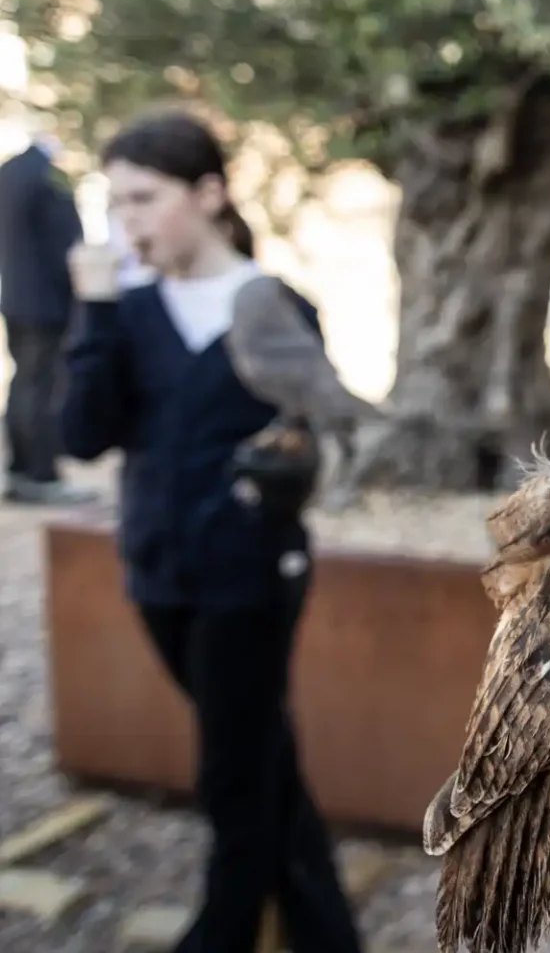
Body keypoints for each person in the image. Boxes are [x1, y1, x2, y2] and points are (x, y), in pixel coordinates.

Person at [61, 109, 363, 953]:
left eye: (145, 199)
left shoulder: (273, 305)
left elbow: (314, 430)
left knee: (232, 764)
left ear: (209, 194)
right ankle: (324, 928)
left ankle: (221, 930)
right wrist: (95, 311)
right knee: (259, 747)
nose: (129, 223)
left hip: (253, 572)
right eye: (116, 204)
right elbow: (83, 435)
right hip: (157, 570)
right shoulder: (127, 309)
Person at [0, 129, 95, 504]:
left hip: (15, 298)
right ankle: (40, 473)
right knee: (40, 388)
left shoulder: (9, 172)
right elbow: (64, 243)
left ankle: (22, 468)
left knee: (24, 384)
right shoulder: (49, 176)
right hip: (46, 302)